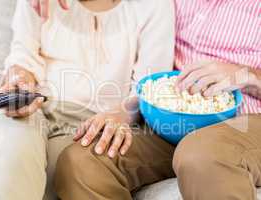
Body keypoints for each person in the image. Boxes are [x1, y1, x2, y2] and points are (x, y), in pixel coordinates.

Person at [31, 0, 261, 200]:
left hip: (245, 120)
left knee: (200, 154)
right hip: (168, 118)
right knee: (82, 162)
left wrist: (247, 74)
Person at [0, 0, 175, 200]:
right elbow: (23, 53)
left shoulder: (154, 6)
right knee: (7, 148)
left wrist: (120, 114)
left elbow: (148, 87)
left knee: (59, 170)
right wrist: (20, 78)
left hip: (89, 123)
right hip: (35, 104)